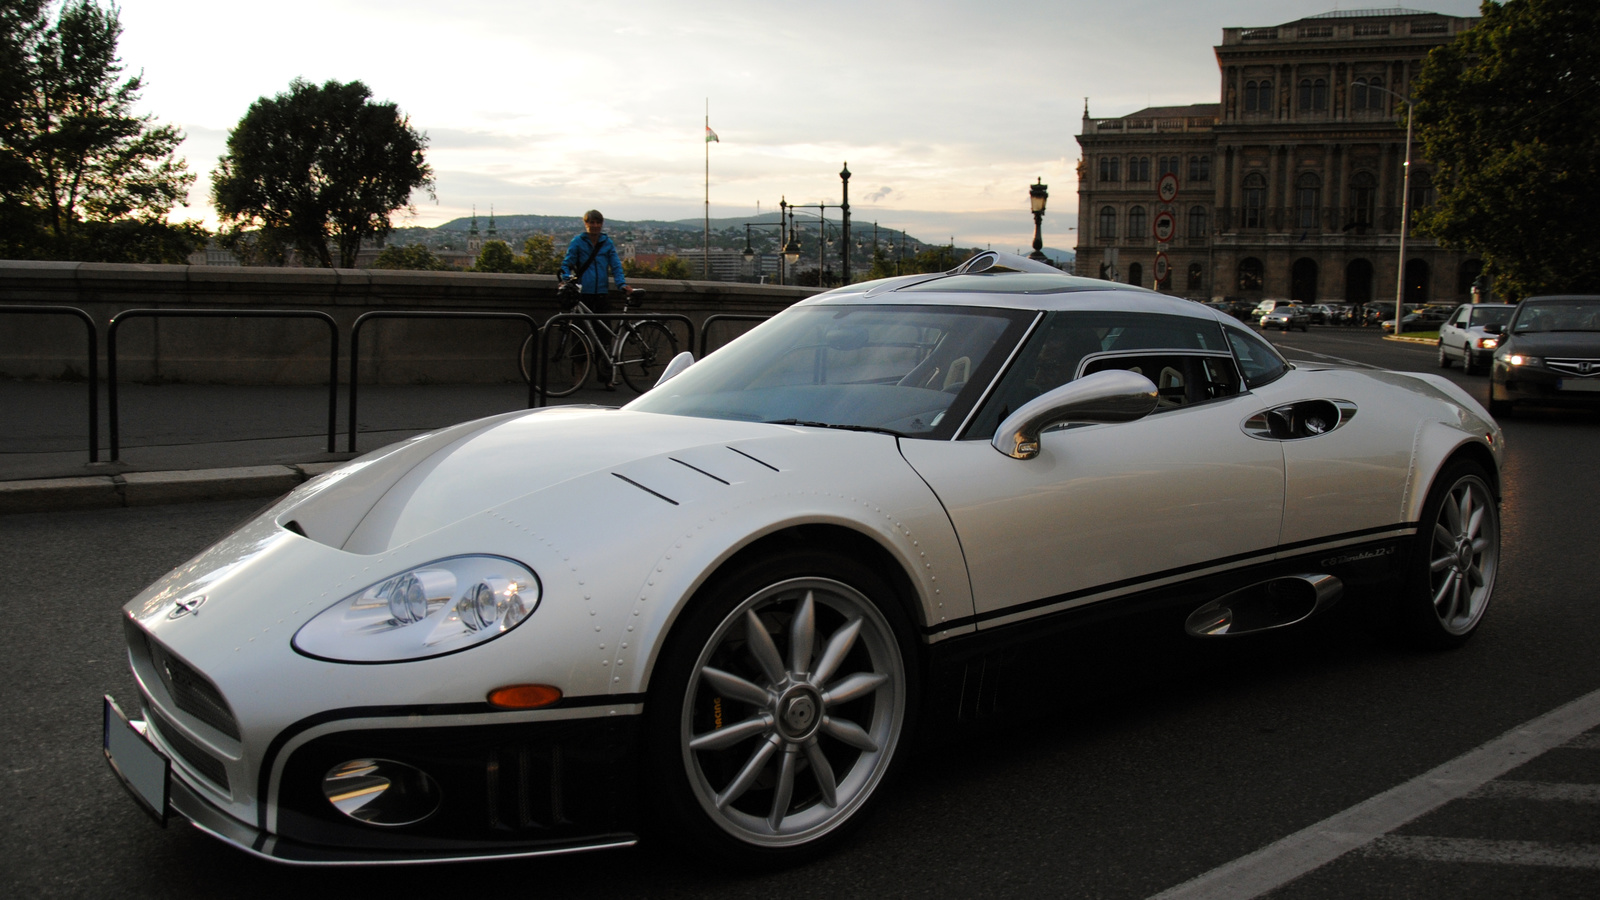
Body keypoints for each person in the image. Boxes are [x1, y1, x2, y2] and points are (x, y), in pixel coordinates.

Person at [561, 210, 632, 314]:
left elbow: (616, 266)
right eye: (592, 222)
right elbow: (566, 264)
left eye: (598, 223)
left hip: (601, 293)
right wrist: (567, 279)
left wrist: (621, 284)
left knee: (602, 328)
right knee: (582, 328)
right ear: (586, 224)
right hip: (583, 293)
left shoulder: (607, 243)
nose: (595, 225)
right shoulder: (578, 242)